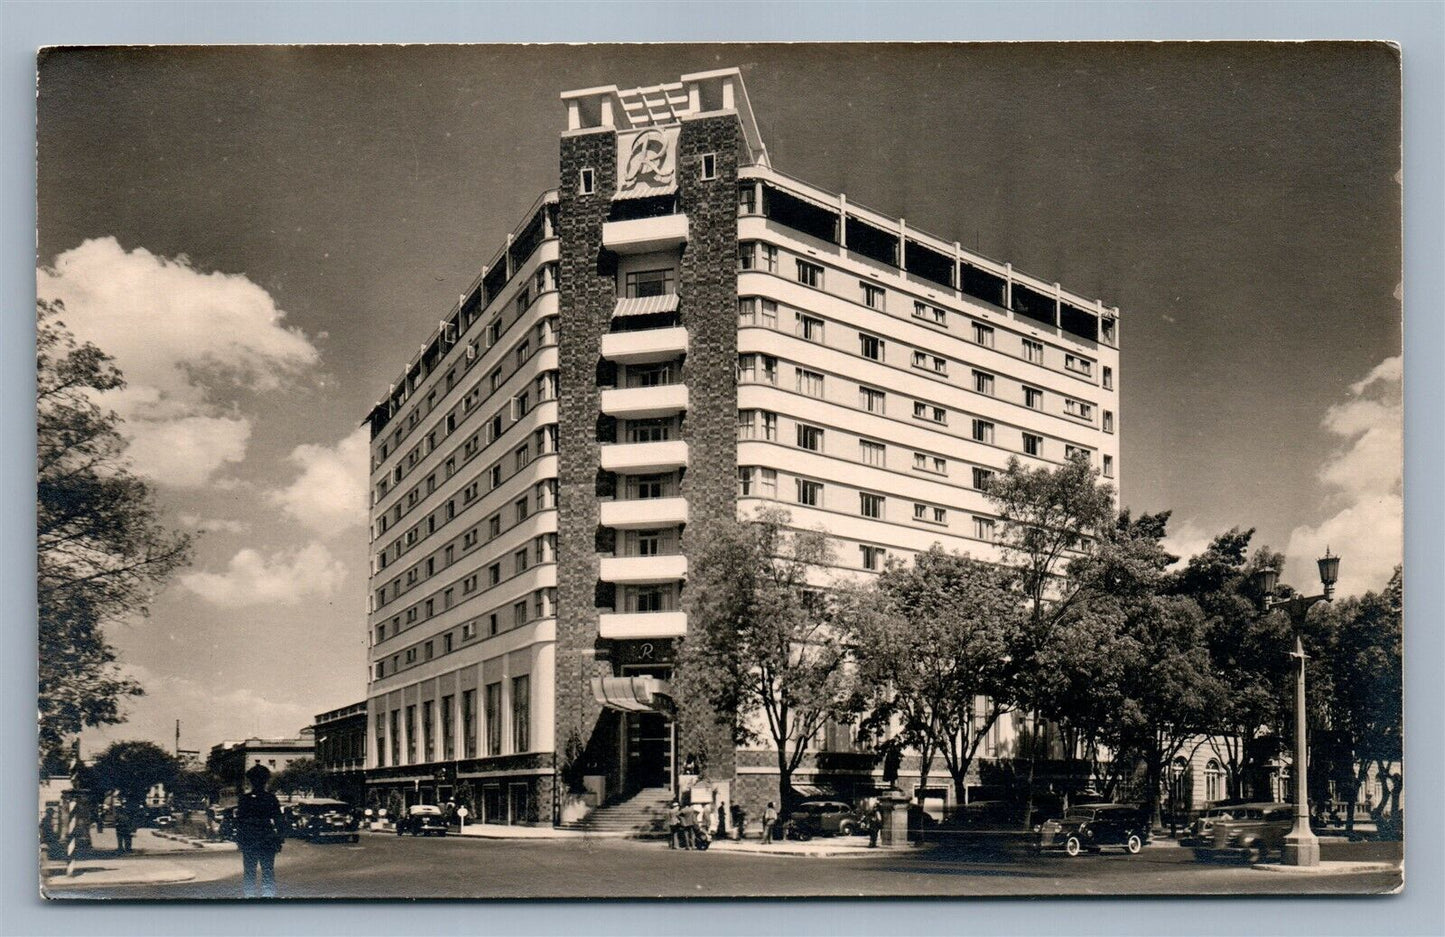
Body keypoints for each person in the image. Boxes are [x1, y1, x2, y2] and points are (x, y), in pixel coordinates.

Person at [235, 764, 284, 898]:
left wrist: (240, 840)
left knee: (249, 873)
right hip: (267, 839)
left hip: (249, 839)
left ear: (250, 781)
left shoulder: (244, 799)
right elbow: (279, 821)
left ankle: (249, 901)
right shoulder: (271, 798)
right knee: (268, 872)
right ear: (266, 780)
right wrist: (279, 839)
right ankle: (268, 900)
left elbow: (239, 822)